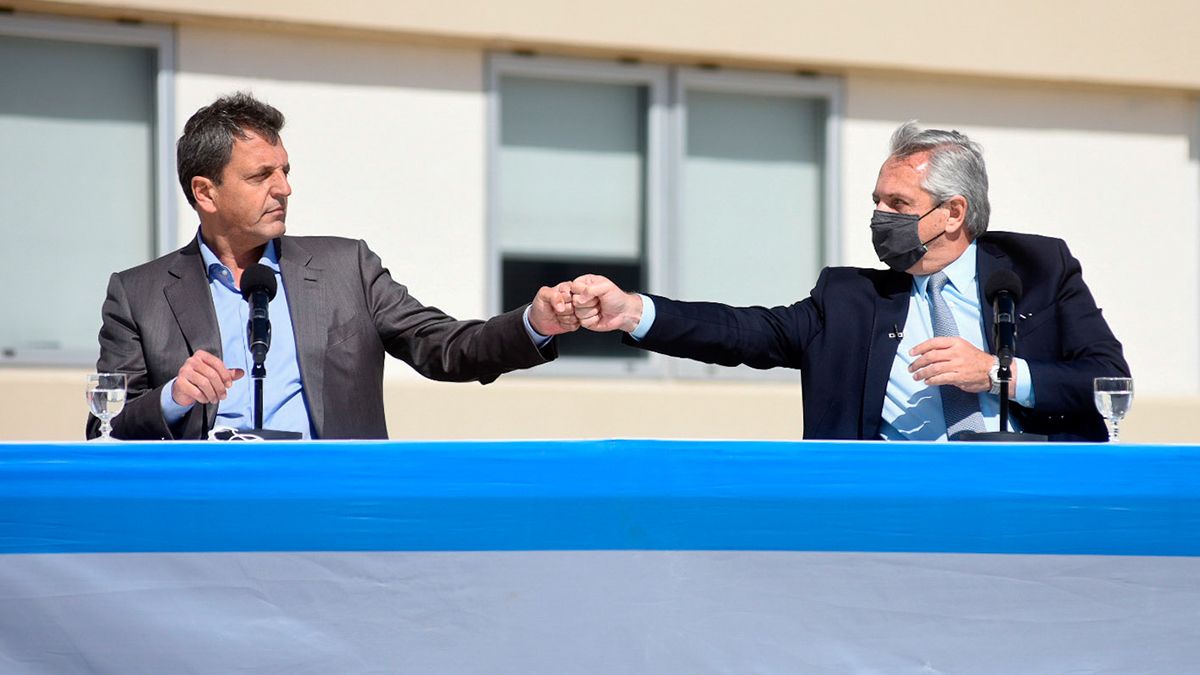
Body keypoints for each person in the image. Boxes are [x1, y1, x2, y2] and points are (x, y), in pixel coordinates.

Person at [570, 121, 1130, 441]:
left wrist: (996, 372)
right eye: (877, 203)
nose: (880, 217)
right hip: (890, 514)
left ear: (954, 213)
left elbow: (1109, 384)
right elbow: (745, 332)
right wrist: (632, 311)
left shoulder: (1038, 270)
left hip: (1027, 503)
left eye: (899, 203)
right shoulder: (850, 299)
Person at [87, 92, 578, 440]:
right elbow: (104, 426)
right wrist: (175, 396)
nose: (284, 189)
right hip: (201, 513)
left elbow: (443, 347)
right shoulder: (139, 294)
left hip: (332, 504)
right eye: (261, 175)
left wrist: (533, 324)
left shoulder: (348, 268)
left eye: (285, 172)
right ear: (205, 192)